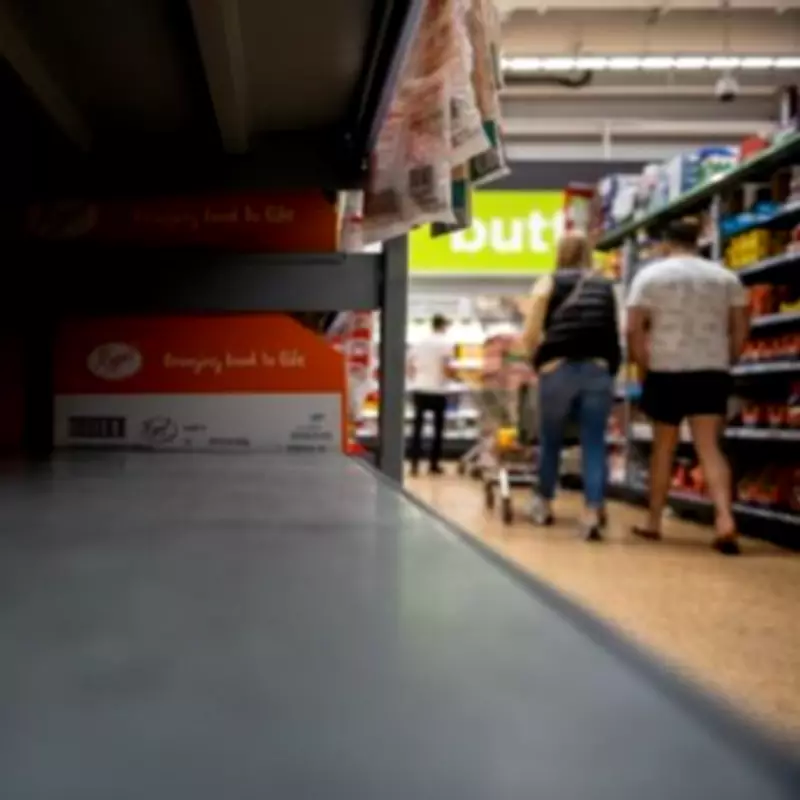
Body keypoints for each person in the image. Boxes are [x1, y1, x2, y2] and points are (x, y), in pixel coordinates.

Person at [626, 219, 749, 555]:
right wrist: (728, 357)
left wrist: (644, 363)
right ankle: (725, 519)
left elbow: (633, 328)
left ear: (667, 243)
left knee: (663, 448)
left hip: (666, 369)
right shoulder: (725, 278)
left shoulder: (649, 277)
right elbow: (740, 327)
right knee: (709, 447)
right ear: (698, 241)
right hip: (710, 369)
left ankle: (653, 522)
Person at [522, 232, 621, 540]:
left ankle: (544, 503)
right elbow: (612, 331)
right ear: (587, 254)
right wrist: (610, 366)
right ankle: (592, 511)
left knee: (551, 440)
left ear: (560, 253)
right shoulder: (604, 285)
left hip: (558, 369)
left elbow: (531, 332)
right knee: (594, 441)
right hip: (597, 369)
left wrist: (537, 361)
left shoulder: (547, 283)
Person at [408, 314, 455, 476]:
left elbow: (409, 365)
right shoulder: (446, 343)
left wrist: (415, 379)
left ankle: (414, 464)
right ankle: (433, 465)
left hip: (420, 388)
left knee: (417, 428)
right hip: (438, 390)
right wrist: (452, 377)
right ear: (443, 326)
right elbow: (446, 366)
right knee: (437, 429)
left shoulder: (420, 342)